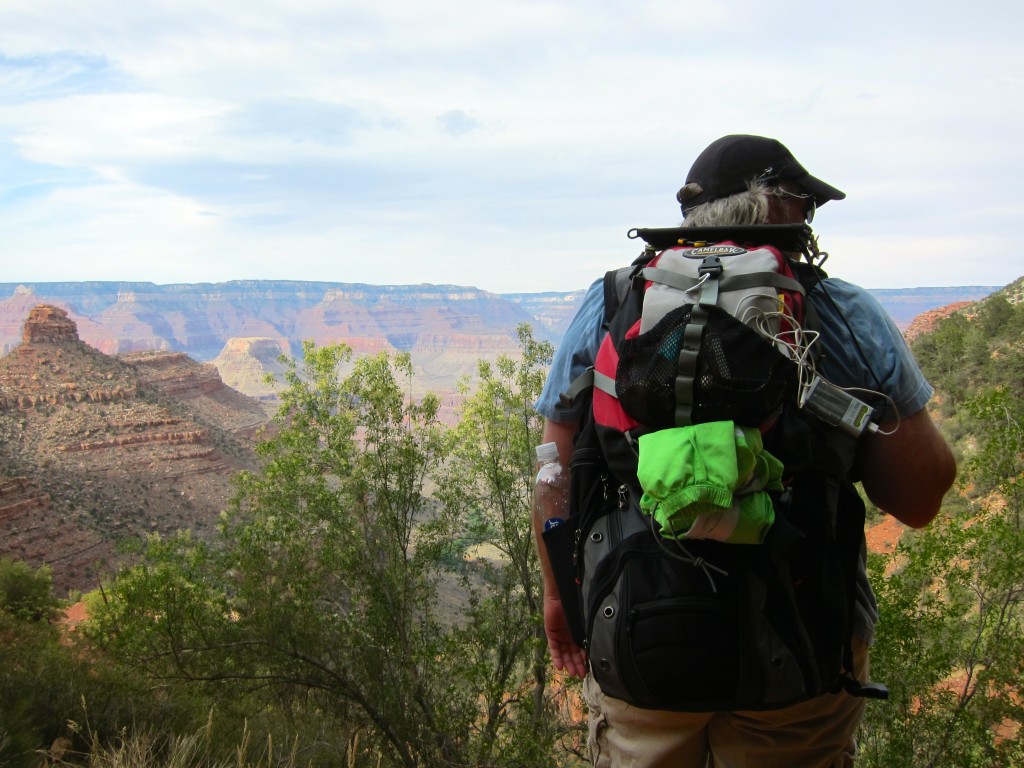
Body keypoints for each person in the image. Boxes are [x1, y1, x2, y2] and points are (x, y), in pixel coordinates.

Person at [533, 134, 957, 767]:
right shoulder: (841, 313)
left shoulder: (615, 301)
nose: (810, 220)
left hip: (637, 636)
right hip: (798, 651)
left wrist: (560, 595)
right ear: (777, 206)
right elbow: (921, 498)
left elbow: (553, 471)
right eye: (806, 204)